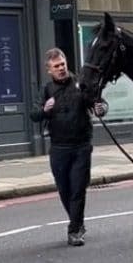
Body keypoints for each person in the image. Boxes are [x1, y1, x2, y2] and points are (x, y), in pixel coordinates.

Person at [30, 48, 108, 246]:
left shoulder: (80, 84)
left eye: (63, 64)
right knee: (64, 189)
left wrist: (101, 108)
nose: (61, 69)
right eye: (56, 67)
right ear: (49, 70)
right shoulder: (46, 89)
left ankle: (74, 230)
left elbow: (99, 103)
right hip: (59, 147)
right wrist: (44, 109)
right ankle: (78, 223)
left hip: (81, 145)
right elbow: (33, 114)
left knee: (77, 189)